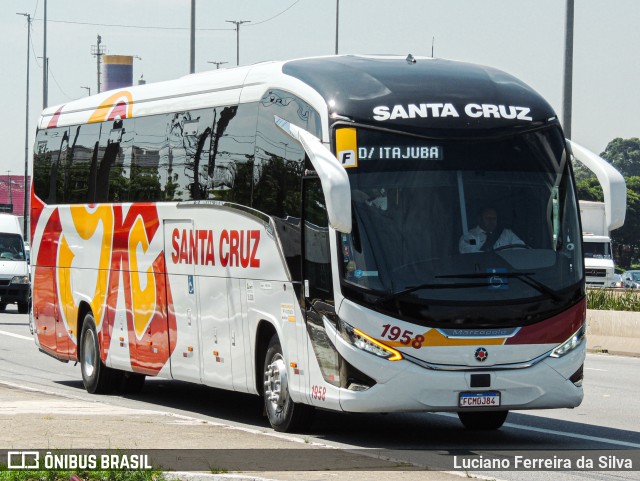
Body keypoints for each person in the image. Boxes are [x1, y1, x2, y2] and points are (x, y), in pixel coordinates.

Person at [459, 207, 524, 253]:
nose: (491, 221)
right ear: (479, 219)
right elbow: (470, 253)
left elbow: (521, 249)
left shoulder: (507, 234)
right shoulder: (470, 236)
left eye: (494, 218)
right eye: (488, 218)